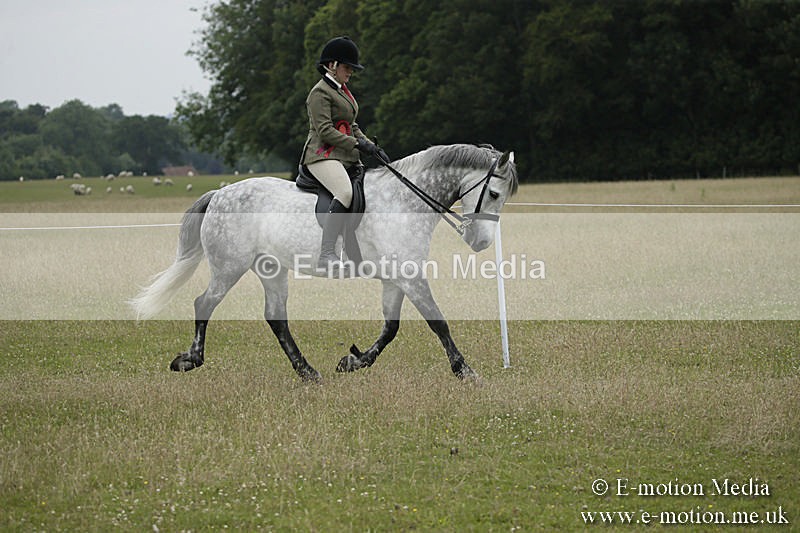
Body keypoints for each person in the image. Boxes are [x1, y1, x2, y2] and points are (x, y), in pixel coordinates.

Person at [300, 36, 387, 273]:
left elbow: (352, 125)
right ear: (332, 65)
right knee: (345, 192)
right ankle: (327, 254)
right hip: (322, 155)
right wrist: (357, 145)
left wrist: (371, 146)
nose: (350, 72)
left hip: (344, 155)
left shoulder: (343, 91)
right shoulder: (319, 93)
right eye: (347, 67)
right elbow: (325, 131)